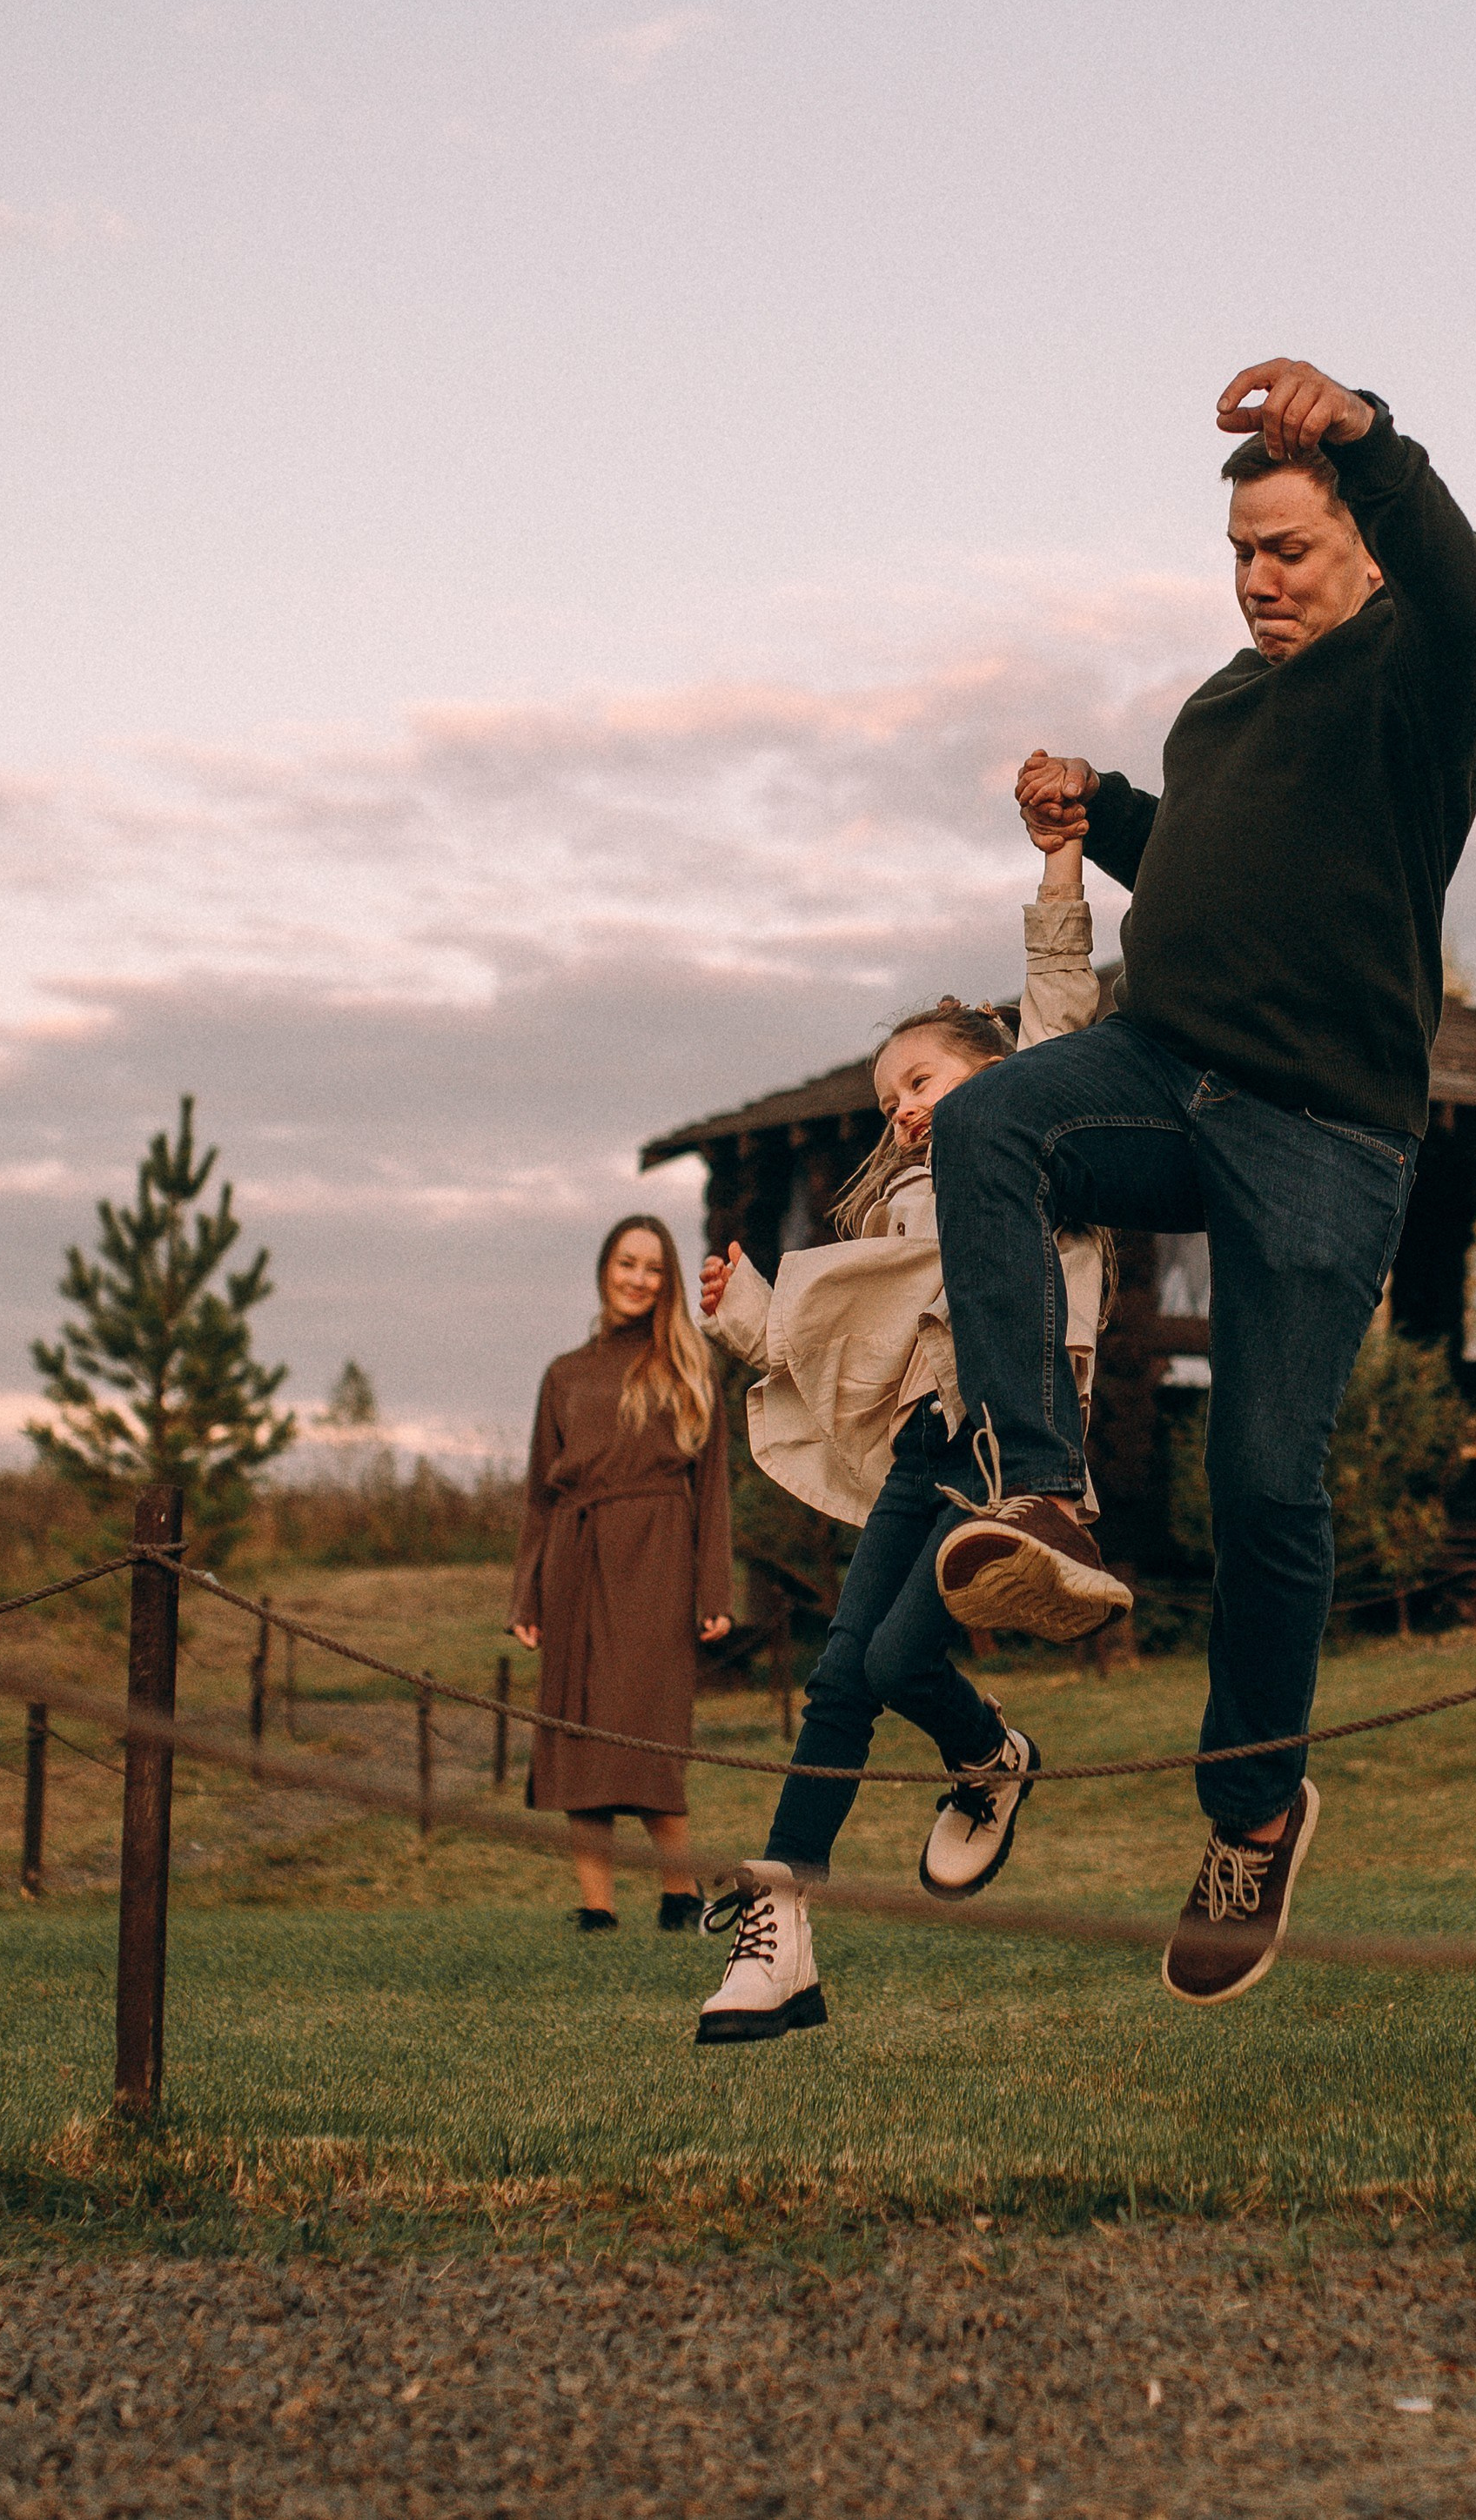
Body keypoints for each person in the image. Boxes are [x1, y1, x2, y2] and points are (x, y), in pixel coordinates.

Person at [929, 357, 1476, 2008]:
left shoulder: (1418, 674)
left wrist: (1364, 435)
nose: (1259, 581)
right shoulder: (1220, 702)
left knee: (1257, 1487)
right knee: (989, 1125)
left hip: (1325, 1128)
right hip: (1162, 1068)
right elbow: (1206, 859)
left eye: (1292, 551)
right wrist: (1100, 809)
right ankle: (1037, 1493)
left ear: (1361, 550)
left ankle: (1251, 1810)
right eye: (1241, 557)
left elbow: (1466, 590)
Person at [690, 827, 1115, 2044]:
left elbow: (1063, 1006)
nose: (908, 1112)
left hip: (1017, 1452)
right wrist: (748, 1319)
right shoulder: (900, 1211)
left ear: (992, 1063)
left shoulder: (1044, 1146)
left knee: (890, 1667)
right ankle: (780, 1935)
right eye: (892, 1103)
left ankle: (989, 1751)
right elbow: (847, 1357)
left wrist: (1058, 868)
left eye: (922, 1082)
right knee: (841, 1673)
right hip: (927, 1450)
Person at [510, 1214, 734, 1932]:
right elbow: (539, 1494)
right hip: (575, 1560)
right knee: (578, 1732)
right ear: (605, 1267)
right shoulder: (563, 1373)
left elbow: (714, 1489)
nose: (637, 1278)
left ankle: (678, 1892)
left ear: (667, 1280)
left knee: (648, 1729)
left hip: (658, 1558)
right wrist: (527, 1592)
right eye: (626, 1263)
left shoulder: (687, 1365)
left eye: (652, 1267)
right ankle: (595, 1907)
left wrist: (714, 1590)